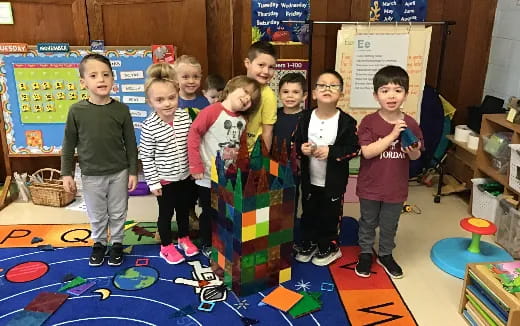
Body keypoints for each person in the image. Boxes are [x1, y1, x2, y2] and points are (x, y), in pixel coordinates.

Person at [61, 53, 138, 267]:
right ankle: (99, 243)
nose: (101, 79)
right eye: (94, 75)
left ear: (113, 79)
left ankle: (117, 243)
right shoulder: (76, 110)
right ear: (83, 82)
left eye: (106, 74)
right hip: (91, 174)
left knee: (117, 211)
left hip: (119, 172)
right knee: (96, 213)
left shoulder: (121, 109)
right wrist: (66, 173)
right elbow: (68, 143)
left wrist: (133, 171)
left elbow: (131, 143)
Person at [355, 65, 423, 279]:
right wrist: (393, 133)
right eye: (385, 90)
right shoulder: (369, 122)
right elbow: (367, 152)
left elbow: (416, 156)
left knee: (389, 223)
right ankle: (365, 253)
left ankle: (385, 254)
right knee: (367, 221)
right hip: (370, 186)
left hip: (396, 188)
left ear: (406, 94)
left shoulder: (411, 123)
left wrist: (411, 151)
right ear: (376, 96)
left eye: (397, 90)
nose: (391, 95)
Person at [188, 76, 261, 257]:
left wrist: (241, 166)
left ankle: (221, 240)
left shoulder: (242, 120)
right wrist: (195, 166)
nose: (247, 98)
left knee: (224, 211)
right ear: (230, 89)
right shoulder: (212, 111)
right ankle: (206, 243)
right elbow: (194, 135)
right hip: (206, 175)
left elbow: (240, 145)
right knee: (208, 211)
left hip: (229, 175)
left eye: (251, 98)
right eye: (245, 92)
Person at [293, 70, 359, 266]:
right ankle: (309, 242)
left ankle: (328, 246)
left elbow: (354, 149)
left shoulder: (347, 122)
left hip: (333, 181)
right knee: (309, 212)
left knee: (329, 215)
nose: (327, 88)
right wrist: (301, 149)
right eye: (322, 85)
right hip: (309, 178)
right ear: (313, 93)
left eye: (333, 86)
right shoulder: (305, 117)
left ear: (341, 94)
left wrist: (331, 151)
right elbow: (294, 143)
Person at [140, 63, 199, 264]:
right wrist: (153, 182)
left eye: (171, 98)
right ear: (150, 102)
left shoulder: (185, 117)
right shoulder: (149, 126)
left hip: (185, 177)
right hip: (165, 181)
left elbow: (192, 145)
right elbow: (146, 157)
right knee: (166, 214)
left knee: (184, 210)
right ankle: (166, 246)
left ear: (178, 95)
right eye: (160, 100)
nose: (167, 103)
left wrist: (193, 168)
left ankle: (184, 238)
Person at [272, 72, 307, 244]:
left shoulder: (307, 118)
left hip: (294, 170)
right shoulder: (274, 115)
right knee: (271, 204)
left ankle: (288, 240)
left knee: (290, 204)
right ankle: (271, 237)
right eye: (286, 92)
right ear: (279, 94)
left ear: (304, 95)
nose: (290, 96)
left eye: (295, 92)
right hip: (273, 165)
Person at [244, 41, 278, 152]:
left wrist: (263, 160)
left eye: (271, 67)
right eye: (261, 65)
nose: (266, 71)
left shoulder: (268, 96)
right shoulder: (234, 85)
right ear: (247, 63)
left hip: (252, 155)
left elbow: (267, 132)